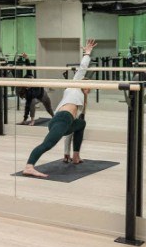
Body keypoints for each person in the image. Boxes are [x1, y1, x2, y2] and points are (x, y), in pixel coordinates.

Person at [23, 40, 97, 178]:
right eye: (87, 85)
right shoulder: (73, 86)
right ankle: (29, 166)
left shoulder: (82, 99)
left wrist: (86, 97)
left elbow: (79, 120)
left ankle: (76, 156)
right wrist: (87, 53)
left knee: (81, 124)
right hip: (61, 119)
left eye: (90, 87)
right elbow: (82, 68)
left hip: (67, 122)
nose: (89, 88)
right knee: (48, 144)